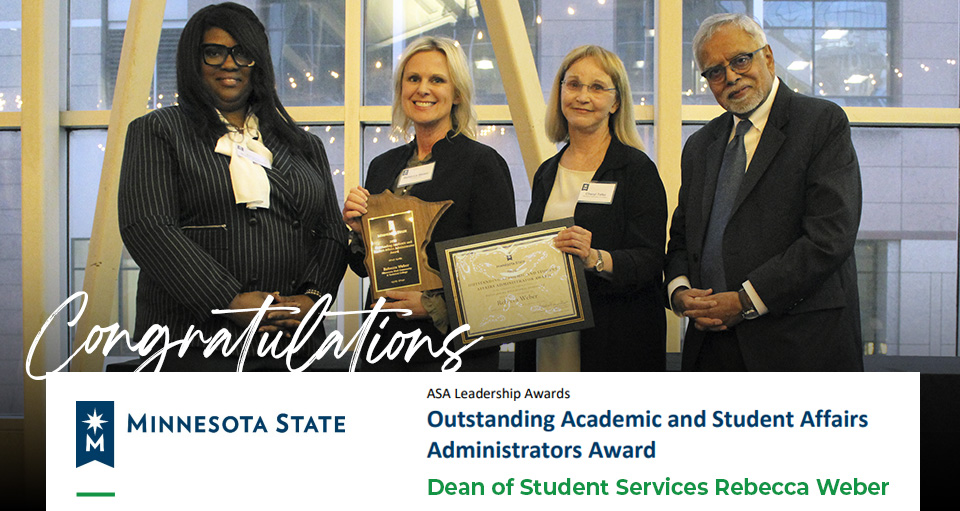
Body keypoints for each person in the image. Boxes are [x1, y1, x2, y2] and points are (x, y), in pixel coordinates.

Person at [118, 3, 348, 370]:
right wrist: (229, 299)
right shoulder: (159, 130)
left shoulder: (304, 144)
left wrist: (312, 298)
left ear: (258, 62)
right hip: (191, 344)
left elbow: (332, 233)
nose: (230, 64)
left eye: (242, 53)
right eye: (214, 52)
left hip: (292, 344)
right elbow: (148, 228)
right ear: (193, 61)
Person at [664, 13, 863, 371]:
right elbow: (682, 239)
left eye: (740, 60)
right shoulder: (699, 146)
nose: (731, 77)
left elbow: (829, 237)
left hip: (798, 347)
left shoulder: (822, 123)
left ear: (768, 57)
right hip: (710, 348)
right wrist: (680, 293)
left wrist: (744, 301)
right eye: (715, 71)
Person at [342, 36, 516, 371]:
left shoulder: (482, 164)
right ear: (401, 89)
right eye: (413, 79)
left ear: (458, 94)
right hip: (385, 348)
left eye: (437, 80)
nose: (423, 89)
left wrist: (433, 305)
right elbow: (365, 266)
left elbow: (502, 273)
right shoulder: (383, 166)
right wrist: (358, 232)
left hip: (453, 356)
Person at [515, 45, 667, 372]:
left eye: (597, 87)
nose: (582, 96)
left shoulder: (636, 170)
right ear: (560, 93)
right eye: (573, 84)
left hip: (612, 340)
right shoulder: (547, 171)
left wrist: (595, 258)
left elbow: (651, 259)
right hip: (548, 332)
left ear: (616, 102)